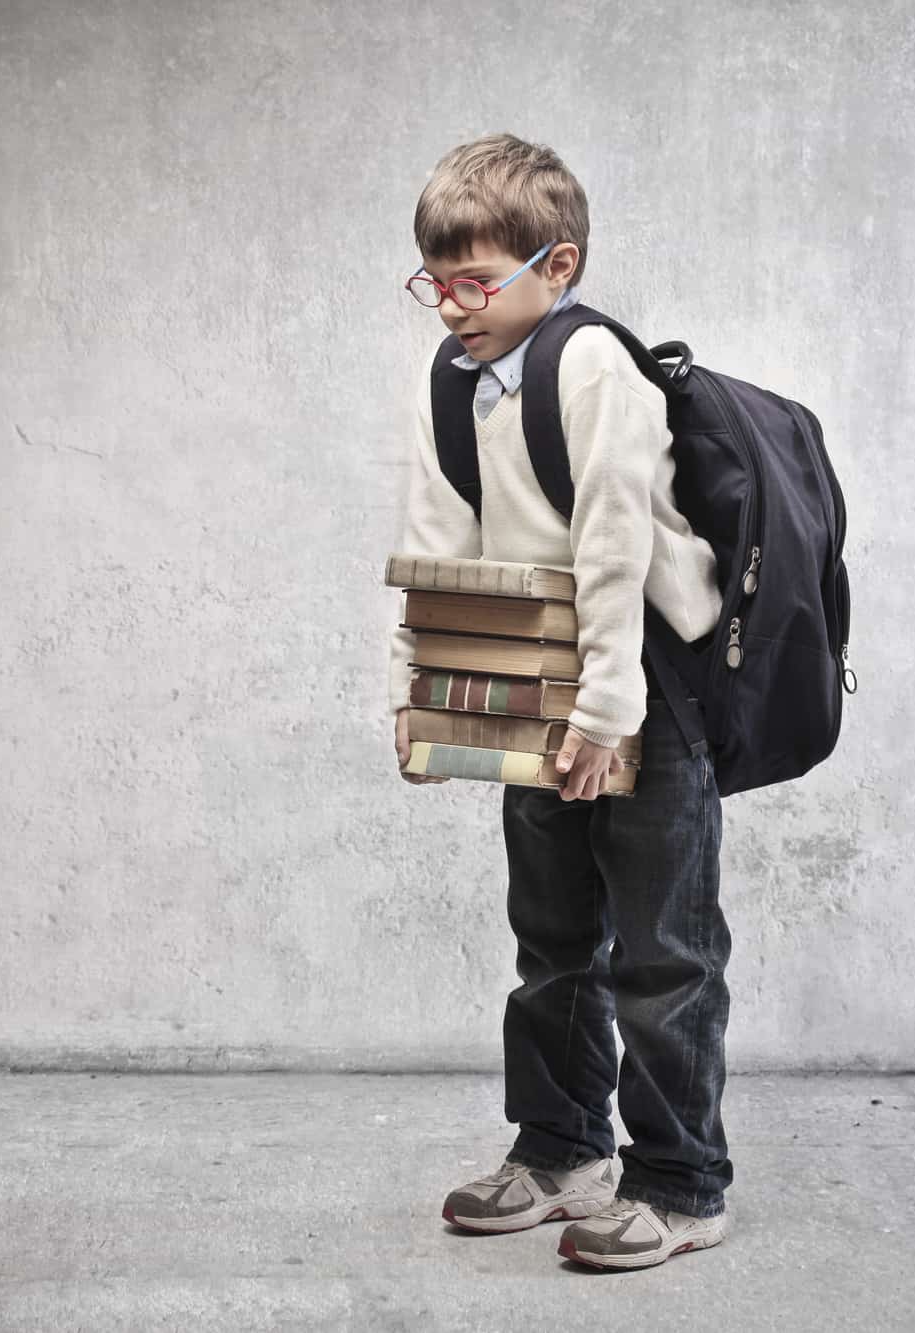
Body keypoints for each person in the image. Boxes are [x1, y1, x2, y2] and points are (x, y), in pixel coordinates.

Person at [384, 133, 733, 1269]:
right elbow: (446, 556)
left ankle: (681, 1185)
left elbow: (614, 551)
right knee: (550, 940)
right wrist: (429, 705)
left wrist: (604, 715)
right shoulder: (450, 379)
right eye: (434, 282)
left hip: (645, 685)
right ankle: (559, 1148)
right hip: (536, 681)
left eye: (476, 282)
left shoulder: (591, 369)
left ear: (558, 264)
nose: (450, 307)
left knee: (661, 950)